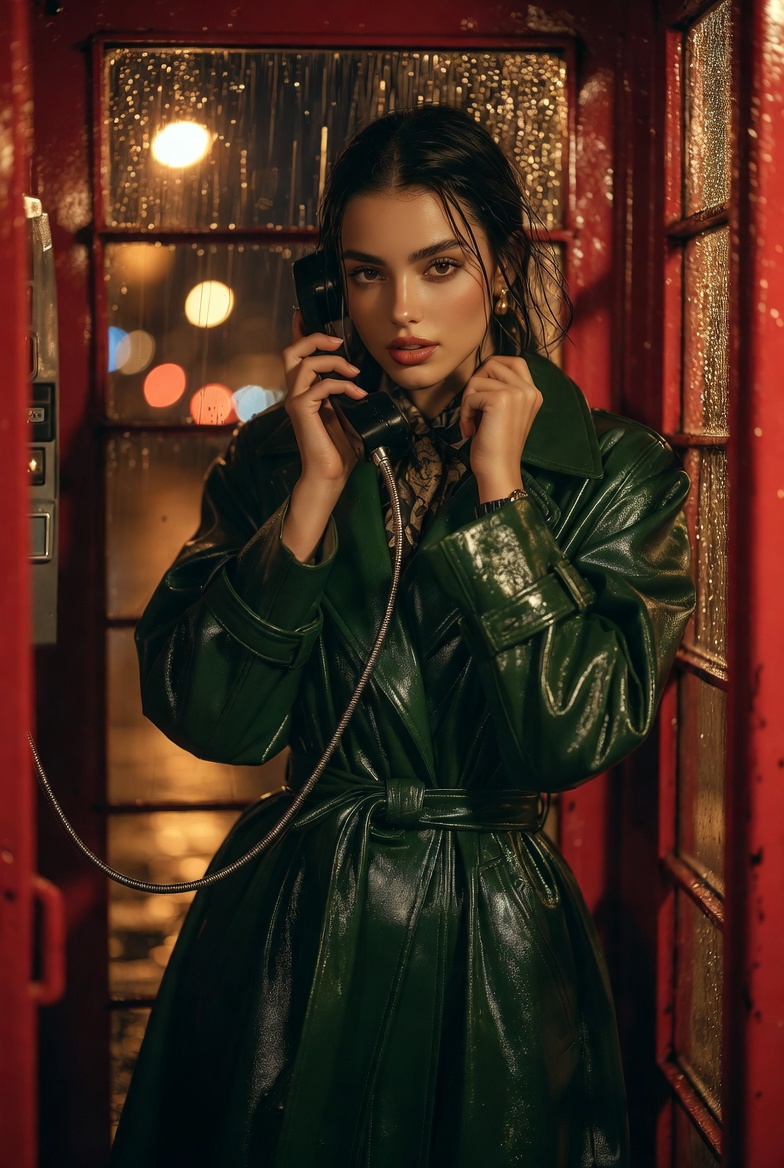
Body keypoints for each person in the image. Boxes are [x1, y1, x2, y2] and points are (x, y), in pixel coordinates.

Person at [111, 105, 695, 1167]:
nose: (401, 312)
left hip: (494, 942)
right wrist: (312, 498)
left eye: (438, 266)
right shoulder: (281, 459)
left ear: (503, 265)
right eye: (366, 274)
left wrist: (503, 497)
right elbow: (216, 717)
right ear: (330, 288)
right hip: (295, 931)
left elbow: (575, 734)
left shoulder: (617, 469)